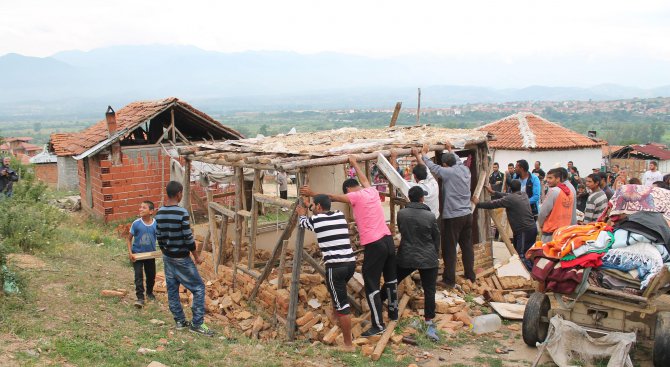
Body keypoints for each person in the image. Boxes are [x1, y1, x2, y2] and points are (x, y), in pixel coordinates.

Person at [300, 156, 397, 337]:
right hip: (388, 240)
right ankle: (394, 314)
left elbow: (331, 197)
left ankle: (378, 325)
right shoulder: (371, 192)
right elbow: (365, 179)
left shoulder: (355, 196)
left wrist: (313, 194)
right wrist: (354, 164)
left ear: (348, 190)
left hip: (375, 244)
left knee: (371, 283)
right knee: (390, 278)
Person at [297, 195, 357, 351]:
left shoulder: (316, 221)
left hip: (335, 267)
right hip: (350, 263)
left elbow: (303, 222)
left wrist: (302, 212)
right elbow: (319, 214)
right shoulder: (339, 215)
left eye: (315, 207)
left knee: (341, 302)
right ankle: (338, 319)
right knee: (336, 292)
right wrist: (310, 206)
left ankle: (348, 344)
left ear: (317, 206)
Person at [155, 181, 214, 336]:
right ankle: (197, 323)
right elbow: (188, 238)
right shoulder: (182, 213)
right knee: (199, 287)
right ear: (179, 193)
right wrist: (196, 256)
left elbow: (159, 237)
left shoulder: (159, 212)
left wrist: (166, 252)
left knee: (172, 289)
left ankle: (180, 321)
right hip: (182, 258)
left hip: (168, 257)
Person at [385, 186, 440, 341]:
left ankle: (380, 303)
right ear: (422, 198)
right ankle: (429, 321)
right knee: (430, 290)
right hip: (428, 257)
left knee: (392, 280)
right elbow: (436, 237)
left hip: (406, 255)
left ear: (409, 198)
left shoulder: (402, 214)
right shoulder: (430, 216)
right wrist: (434, 253)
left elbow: (403, 231)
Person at [419, 142, 475, 288]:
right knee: (467, 246)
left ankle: (449, 279)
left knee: (450, 248)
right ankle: (470, 275)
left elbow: (432, 167)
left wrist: (423, 154)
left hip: (453, 216)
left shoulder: (448, 172)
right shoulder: (465, 170)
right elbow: (456, 160)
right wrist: (450, 149)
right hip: (467, 214)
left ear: (445, 164)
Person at [474, 180, 537, 270]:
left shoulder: (510, 199)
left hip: (523, 230)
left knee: (521, 255)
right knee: (529, 253)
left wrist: (478, 204)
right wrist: (493, 192)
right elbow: (507, 196)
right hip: (532, 228)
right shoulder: (524, 195)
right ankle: (530, 271)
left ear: (510, 188)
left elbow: (494, 204)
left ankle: (529, 275)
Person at [390, 148, 440, 218]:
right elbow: (426, 169)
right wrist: (417, 154)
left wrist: (393, 158)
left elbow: (395, 178)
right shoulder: (434, 183)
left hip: (423, 220)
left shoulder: (415, 187)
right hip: (434, 218)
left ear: (415, 176)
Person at [127, 201, 157, 308]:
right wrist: (130, 253)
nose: (140, 209)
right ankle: (140, 298)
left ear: (151, 211)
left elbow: (160, 238)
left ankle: (149, 292)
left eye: (144, 208)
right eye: (140, 207)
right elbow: (129, 239)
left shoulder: (155, 224)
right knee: (138, 276)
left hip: (150, 255)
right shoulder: (136, 224)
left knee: (151, 275)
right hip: (137, 255)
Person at [538, 168, 574, 243]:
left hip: (551, 233)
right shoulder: (570, 192)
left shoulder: (553, 191)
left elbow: (543, 213)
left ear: (558, 179)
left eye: (550, 178)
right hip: (564, 231)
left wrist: (540, 225)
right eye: (547, 177)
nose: (547, 180)